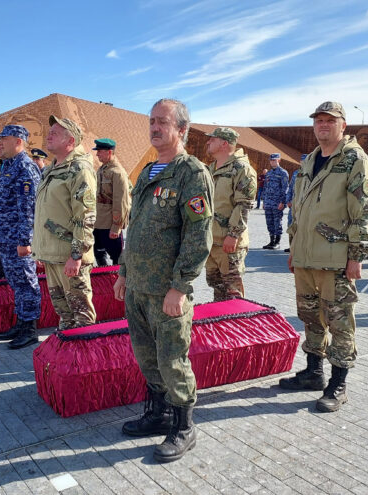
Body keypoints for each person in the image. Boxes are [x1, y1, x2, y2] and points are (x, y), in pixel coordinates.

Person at [113, 98, 213, 463]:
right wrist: (124, 271)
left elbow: (198, 234)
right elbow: (135, 228)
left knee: (173, 359)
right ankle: (158, 413)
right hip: (138, 286)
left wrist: (180, 286)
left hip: (166, 291)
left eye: (162, 122)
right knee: (146, 356)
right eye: (151, 121)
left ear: (182, 130)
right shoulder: (148, 172)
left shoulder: (192, 173)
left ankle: (184, 426)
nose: (154, 128)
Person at [279, 101, 368, 413]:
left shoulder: (354, 159)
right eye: (319, 121)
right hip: (307, 256)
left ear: (343, 125)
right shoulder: (310, 160)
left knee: (339, 321)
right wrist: (294, 248)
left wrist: (357, 255)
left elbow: (364, 210)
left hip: (336, 258)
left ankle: (338, 383)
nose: (323, 125)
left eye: (329, 121)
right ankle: (313, 372)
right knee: (309, 315)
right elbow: (298, 207)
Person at [33, 115, 97, 330]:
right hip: (53, 255)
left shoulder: (79, 169)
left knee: (81, 317)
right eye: (49, 131)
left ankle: (86, 359)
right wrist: (40, 250)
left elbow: (85, 218)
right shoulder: (50, 170)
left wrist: (76, 256)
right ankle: (69, 358)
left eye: (55, 133)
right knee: (65, 316)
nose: (48, 135)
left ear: (70, 142)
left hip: (70, 257)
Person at [0, 125, 43, 348]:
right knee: (17, 284)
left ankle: (30, 329)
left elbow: (28, 208)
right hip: (4, 237)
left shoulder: (25, 168)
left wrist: (25, 241)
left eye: (3, 139)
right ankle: (21, 322)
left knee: (27, 282)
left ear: (19, 141)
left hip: (17, 239)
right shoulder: (6, 166)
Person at [204, 127, 256, 300]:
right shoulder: (210, 169)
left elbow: (244, 205)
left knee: (233, 293)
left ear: (224, 143)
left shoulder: (242, 168)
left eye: (213, 139)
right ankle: (219, 325)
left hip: (229, 243)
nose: (208, 142)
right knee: (217, 289)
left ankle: (236, 326)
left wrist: (233, 235)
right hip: (212, 241)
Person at [92, 138, 131, 266]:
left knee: (117, 259)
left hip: (110, 225)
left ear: (109, 152)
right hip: (98, 223)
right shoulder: (102, 169)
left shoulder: (118, 173)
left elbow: (121, 202)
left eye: (100, 151)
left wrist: (116, 226)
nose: (97, 154)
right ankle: (105, 283)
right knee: (98, 254)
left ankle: (116, 283)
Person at [261, 153, 288, 249]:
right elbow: (265, 188)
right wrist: (264, 201)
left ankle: (277, 242)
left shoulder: (283, 173)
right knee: (269, 222)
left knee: (277, 222)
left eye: (274, 160)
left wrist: (283, 202)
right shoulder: (268, 173)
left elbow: (285, 189)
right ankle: (271, 241)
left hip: (277, 203)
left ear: (279, 160)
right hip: (268, 202)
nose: (272, 162)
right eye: (271, 160)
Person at [284, 154, 307, 253]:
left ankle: (301, 248)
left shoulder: (311, 173)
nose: (302, 162)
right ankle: (292, 246)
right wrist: (288, 200)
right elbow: (290, 187)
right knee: (290, 224)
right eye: (301, 161)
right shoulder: (295, 173)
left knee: (302, 226)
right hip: (293, 205)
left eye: (304, 161)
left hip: (304, 205)